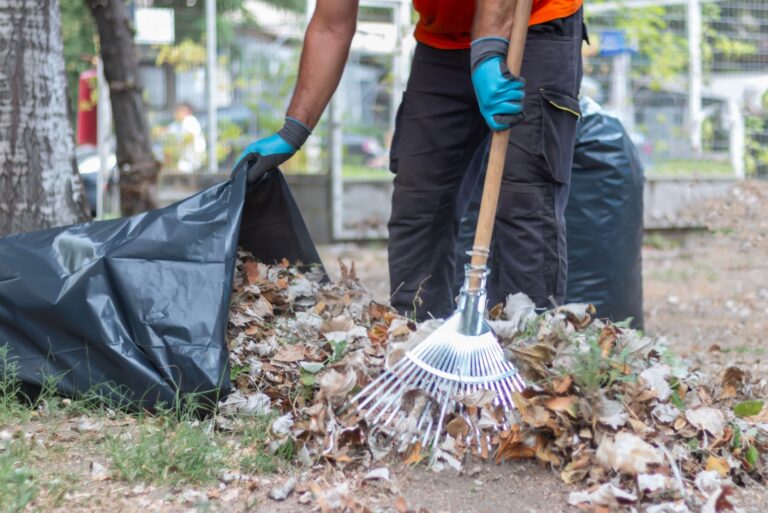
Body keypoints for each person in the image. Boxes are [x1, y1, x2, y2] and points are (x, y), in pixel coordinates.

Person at [238, 0, 587, 321]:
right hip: (443, 39)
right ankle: (419, 344)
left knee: (522, 201)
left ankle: (525, 355)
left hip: (536, 19)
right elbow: (331, 24)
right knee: (419, 203)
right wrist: (293, 131)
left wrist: (487, 51)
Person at [170, 102, 206, 174]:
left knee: (179, 169)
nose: (176, 113)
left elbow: (191, 137)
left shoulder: (189, 120)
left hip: (193, 157)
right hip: (188, 157)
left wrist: (178, 145)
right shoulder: (180, 123)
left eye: (178, 111)